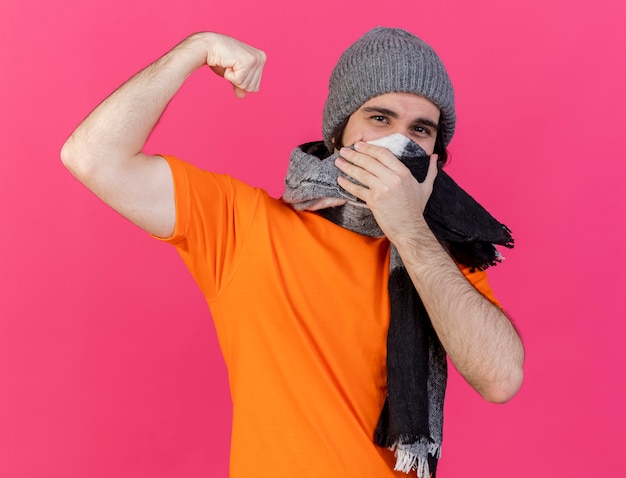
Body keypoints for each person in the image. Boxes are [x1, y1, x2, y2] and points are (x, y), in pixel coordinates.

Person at [61, 27, 524, 478]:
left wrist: (408, 227)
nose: (399, 145)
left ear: (435, 157)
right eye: (379, 119)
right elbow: (92, 157)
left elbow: (501, 379)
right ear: (340, 133)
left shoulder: (439, 261)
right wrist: (193, 50)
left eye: (420, 129)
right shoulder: (243, 226)